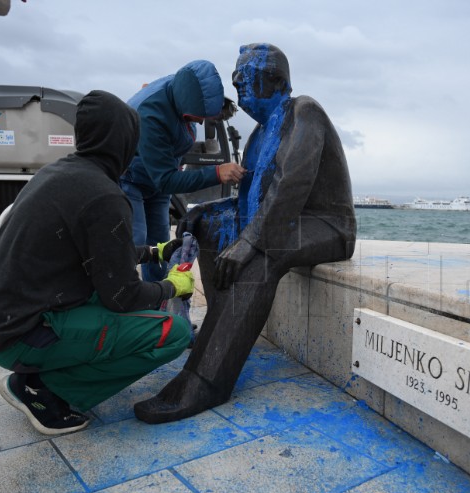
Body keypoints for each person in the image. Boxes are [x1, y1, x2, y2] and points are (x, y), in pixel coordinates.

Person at [134, 43, 357, 424]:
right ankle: (217, 339)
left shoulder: (305, 112)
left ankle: (206, 381)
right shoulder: (258, 133)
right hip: (285, 220)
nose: (238, 91)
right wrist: (204, 213)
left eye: (244, 81)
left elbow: (292, 185)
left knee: (263, 252)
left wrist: (250, 240)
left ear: (274, 80)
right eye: (236, 82)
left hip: (326, 224)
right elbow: (247, 199)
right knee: (205, 224)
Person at [0, 90, 195, 436]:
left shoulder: (59, 174)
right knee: (173, 333)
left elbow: (97, 252)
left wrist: (156, 252)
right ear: (124, 142)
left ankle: (34, 378)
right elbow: (122, 296)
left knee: (106, 298)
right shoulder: (104, 195)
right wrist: (171, 287)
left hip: (0, 324)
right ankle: (44, 392)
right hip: (23, 336)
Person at [120, 60, 245, 284]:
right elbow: (166, 180)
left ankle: (156, 303)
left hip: (156, 182)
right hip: (130, 179)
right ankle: (121, 301)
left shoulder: (183, 89)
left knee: (161, 247)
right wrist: (216, 173)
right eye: (199, 118)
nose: (201, 121)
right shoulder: (151, 116)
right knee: (135, 241)